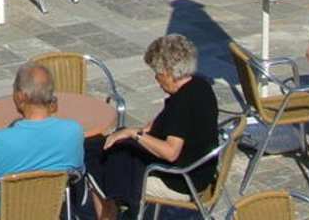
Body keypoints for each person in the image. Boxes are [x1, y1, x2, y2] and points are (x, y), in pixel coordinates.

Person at [93, 34, 219, 220]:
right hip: (201, 171)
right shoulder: (200, 85)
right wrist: (146, 129)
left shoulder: (181, 104)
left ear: (168, 73)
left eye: (157, 73)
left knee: (99, 167)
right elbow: (169, 122)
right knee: (110, 149)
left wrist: (134, 134)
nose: (156, 79)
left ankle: (109, 214)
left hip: (179, 180)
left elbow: (171, 152)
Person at [0, 62, 85, 220]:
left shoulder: (0, 142)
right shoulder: (74, 132)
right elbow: (77, 173)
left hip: (1, 214)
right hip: (48, 211)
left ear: (21, 96)